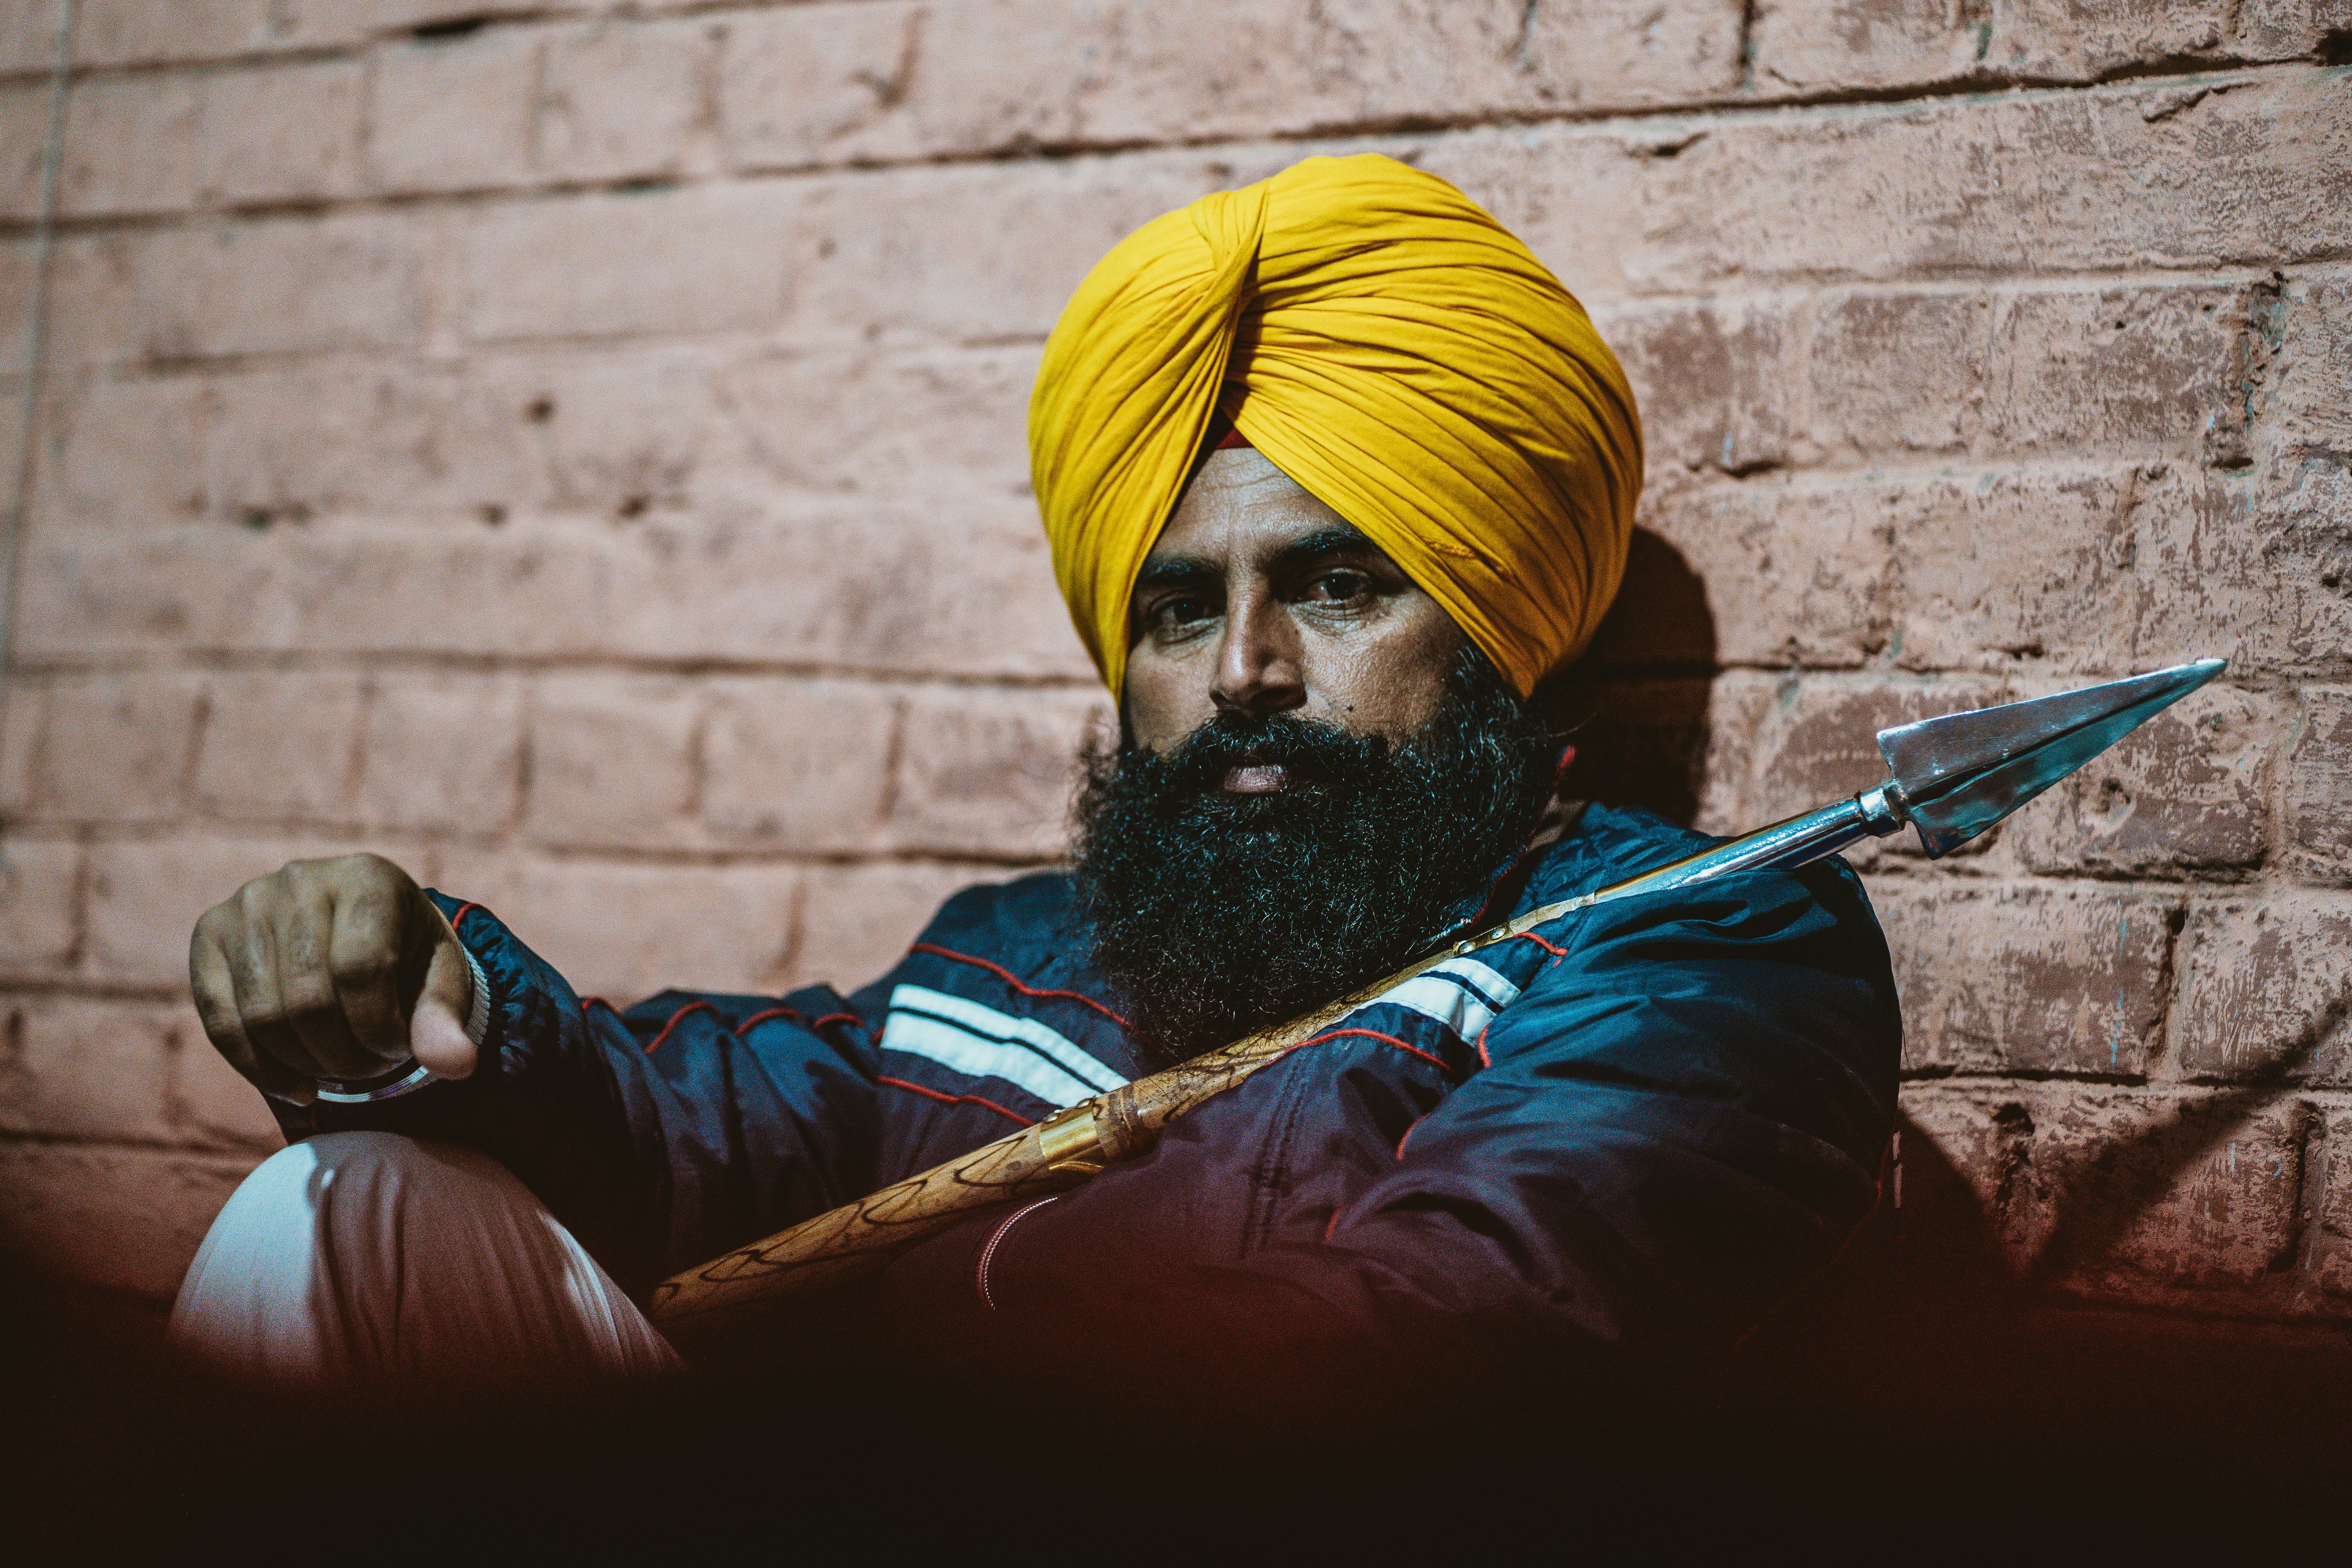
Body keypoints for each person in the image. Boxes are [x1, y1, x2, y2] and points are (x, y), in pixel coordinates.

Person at [170, 155, 1900, 1411]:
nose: (1243, 675)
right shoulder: (1011, 955)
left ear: (1510, 629)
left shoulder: (1693, 940)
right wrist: (427, 993)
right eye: (1174, 609)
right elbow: (676, 1124)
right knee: (349, 1200)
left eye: (1343, 586)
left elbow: (1432, 1352)